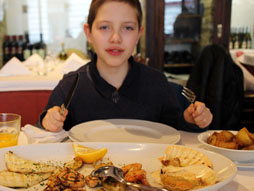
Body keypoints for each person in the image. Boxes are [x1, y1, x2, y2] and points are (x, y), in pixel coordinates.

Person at [39, 0, 213, 132]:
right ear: (89, 33)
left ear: (139, 34)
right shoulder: (70, 85)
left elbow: (174, 130)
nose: (116, 38)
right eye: (105, 27)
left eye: (128, 28)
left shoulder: (156, 83)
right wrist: (48, 122)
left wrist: (190, 119)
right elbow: (42, 132)